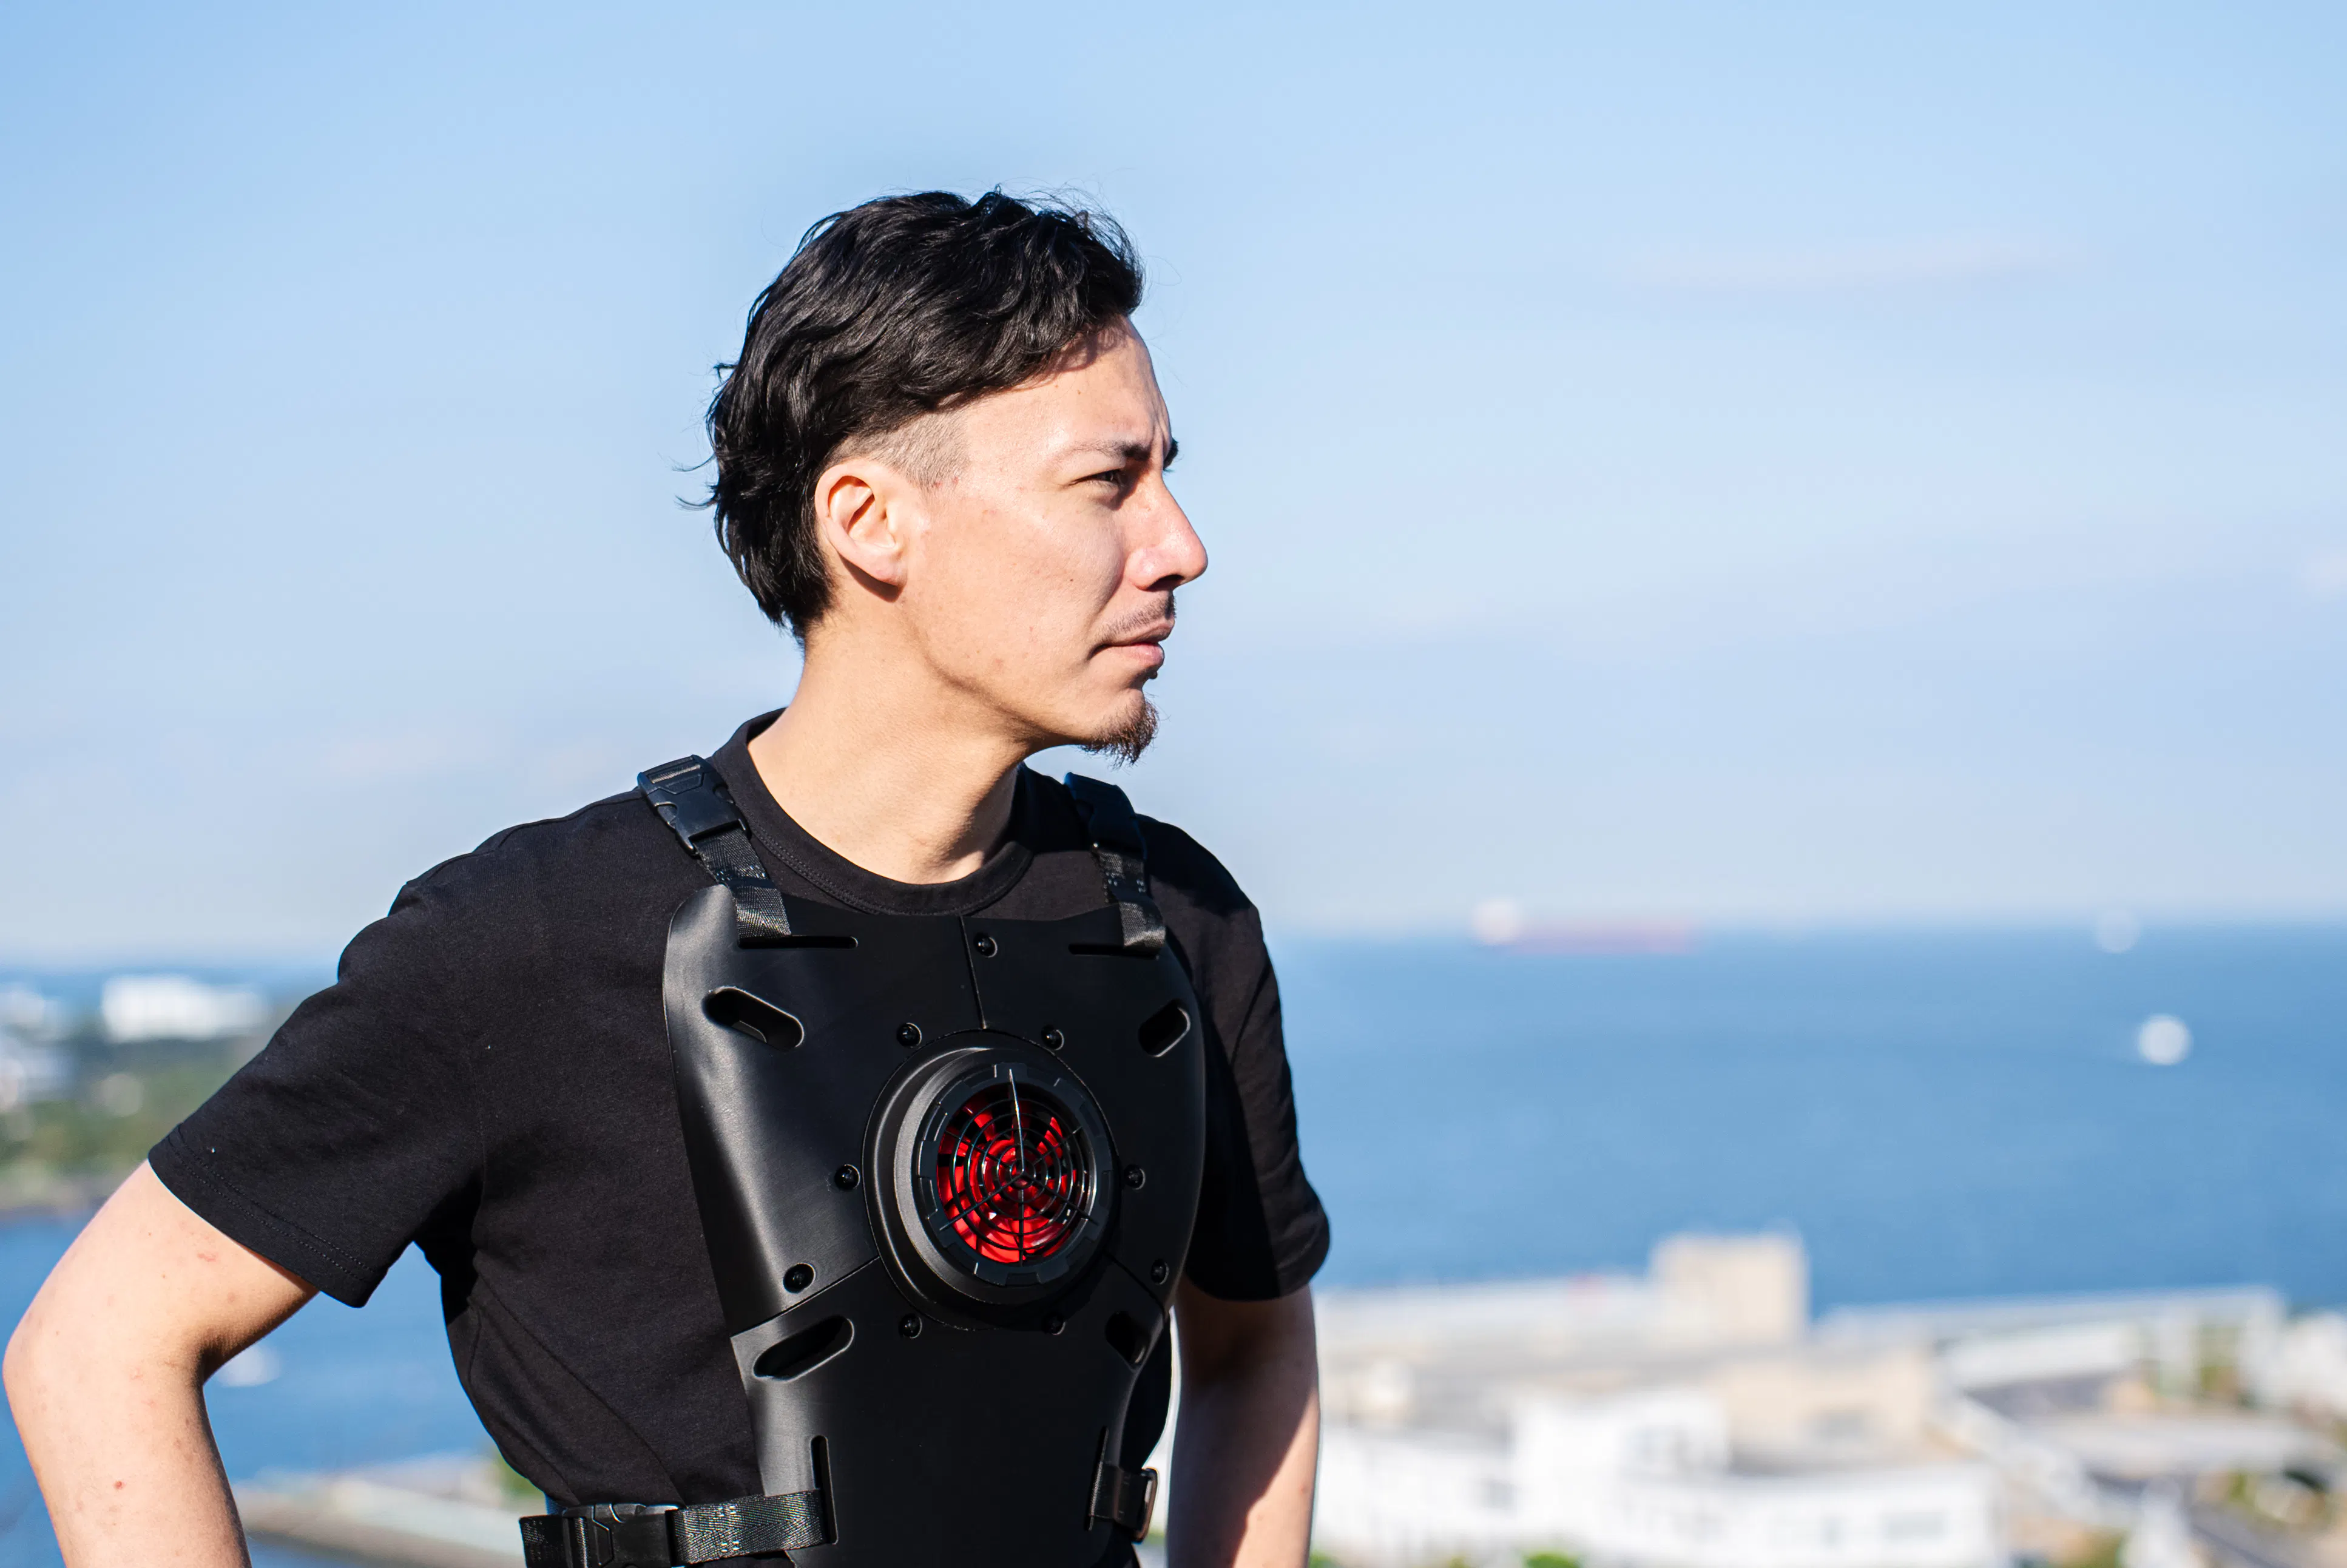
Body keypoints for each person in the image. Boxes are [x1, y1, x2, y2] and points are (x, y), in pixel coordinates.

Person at [5, 191, 1326, 1568]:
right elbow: (99, 1343)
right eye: (1108, 483)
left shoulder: (1177, 921)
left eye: (1166, 475)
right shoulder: (530, 936)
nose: (1180, 545)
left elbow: (1251, 1348)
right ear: (871, 522)